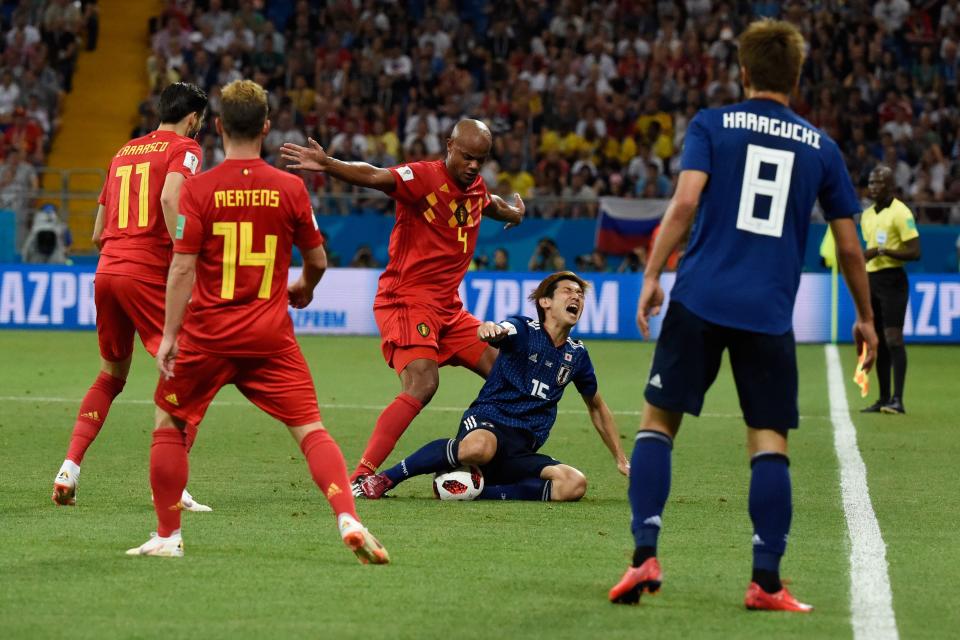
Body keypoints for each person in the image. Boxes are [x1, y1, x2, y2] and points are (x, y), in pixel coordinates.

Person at [608, 20, 878, 612]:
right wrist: (865, 317)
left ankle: (643, 556)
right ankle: (766, 581)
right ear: (798, 76)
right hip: (767, 311)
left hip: (700, 298)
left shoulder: (712, 124)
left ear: (744, 71)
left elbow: (683, 202)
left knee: (657, 425)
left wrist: (653, 275)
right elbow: (852, 247)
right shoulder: (823, 148)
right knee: (768, 443)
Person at [125, 79, 388, 564]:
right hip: (269, 336)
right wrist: (304, 289)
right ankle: (347, 516)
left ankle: (168, 535)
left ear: (219, 126)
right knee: (310, 429)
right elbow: (318, 260)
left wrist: (168, 335)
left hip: (208, 335)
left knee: (169, 419)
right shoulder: (290, 188)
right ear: (266, 127)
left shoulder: (199, 190)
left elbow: (182, 267)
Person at [281, 119, 525, 493]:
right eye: (467, 157)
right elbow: (377, 176)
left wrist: (510, 213)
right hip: (406, 300)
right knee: (424, 382)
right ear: (449, 146)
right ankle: (362, 473)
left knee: (504, 374)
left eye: (481, 159)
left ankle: (490, 455)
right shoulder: (423, 178)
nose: (474, 166)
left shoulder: (474, 185)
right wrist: (329, 164)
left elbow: (483, 202)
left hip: (448, 308)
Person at [51, 82, 211, 511]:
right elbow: (169, 197)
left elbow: (97, 230)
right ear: (193, 118)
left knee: (110, 375)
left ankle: (69, 467)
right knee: (190, 371)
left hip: (106, 272)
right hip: (145, 272)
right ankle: (173, 484)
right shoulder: (185, 149)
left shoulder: (124, 151)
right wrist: (186, 249)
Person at [357, 271, 629, 500]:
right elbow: (502, 329)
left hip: (521, 448)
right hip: (488, 423)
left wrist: (620, 457)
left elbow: (597, 406)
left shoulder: (577, 354)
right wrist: (491, 330)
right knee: (480, 448)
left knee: (574, 484)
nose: (577, 297)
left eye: (580, 295)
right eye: (568, 291)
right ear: (545, 301)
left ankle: (481, 490)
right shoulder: (523, 329)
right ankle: (385, 479)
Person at [859, 165, 921, 415]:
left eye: (879, 183)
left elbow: (915, 251)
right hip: (872, 279)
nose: (873, 187)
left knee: (894, 338)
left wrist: (883, 251)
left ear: (890, 185)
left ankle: (898, 399)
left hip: (893, 280)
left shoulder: (900, 213)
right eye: (871, 183)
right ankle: (883, 398)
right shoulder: (867, 215)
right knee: (878, 342)